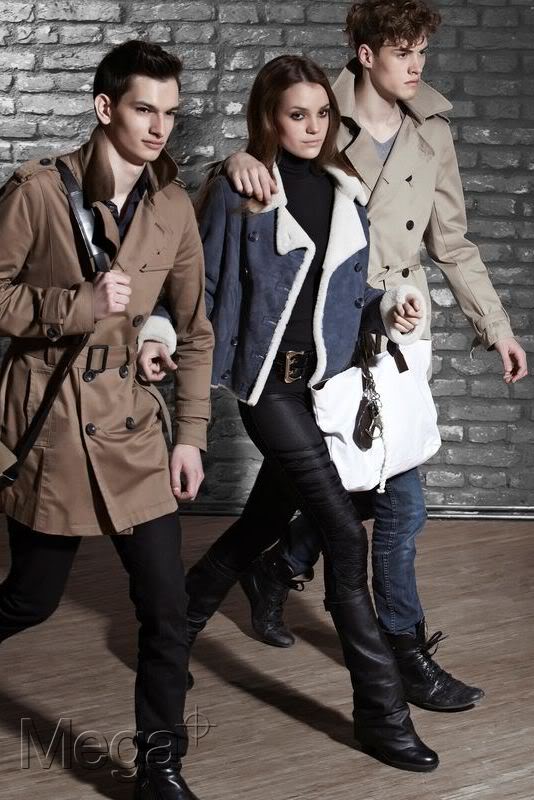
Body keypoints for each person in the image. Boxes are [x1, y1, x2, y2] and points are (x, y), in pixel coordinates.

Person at [149, 0, 528, 714]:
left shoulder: (429, 131)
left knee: (360, 499)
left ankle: (271, 578)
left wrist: (496, 326)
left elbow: (451, 242)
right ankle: (397, 662)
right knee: (363, 509)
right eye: (402, 51)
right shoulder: (319, 115)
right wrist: (232, 160)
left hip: (389, 329)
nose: (416, 65)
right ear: (364, 52)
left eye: (422, 51)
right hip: (313, 344)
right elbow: (237, 191)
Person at [140, 53, 440, 773]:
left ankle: (173, 635)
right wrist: (160, 338)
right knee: (343, 533)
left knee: (259, 527)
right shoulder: (240, 190)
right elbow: (196, 287)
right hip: (268, 391)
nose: (311, 127)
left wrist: (390, 307)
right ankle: (381, 713)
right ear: (268, 120)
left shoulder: (345, 190)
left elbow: (346, 296)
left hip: (322, 391)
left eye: (320, 114)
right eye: (295, 115)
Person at [0, 41, 214, 800]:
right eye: (144, 109)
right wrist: (74, 306)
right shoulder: (37, 192)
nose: (159, 128)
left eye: (170, 114)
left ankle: (161, 768)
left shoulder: (173, 205)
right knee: (30, 600)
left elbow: (193, 328)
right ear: (105, 107)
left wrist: (191, 436)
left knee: (167, 608)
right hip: (54, 433)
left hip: (134, 433)